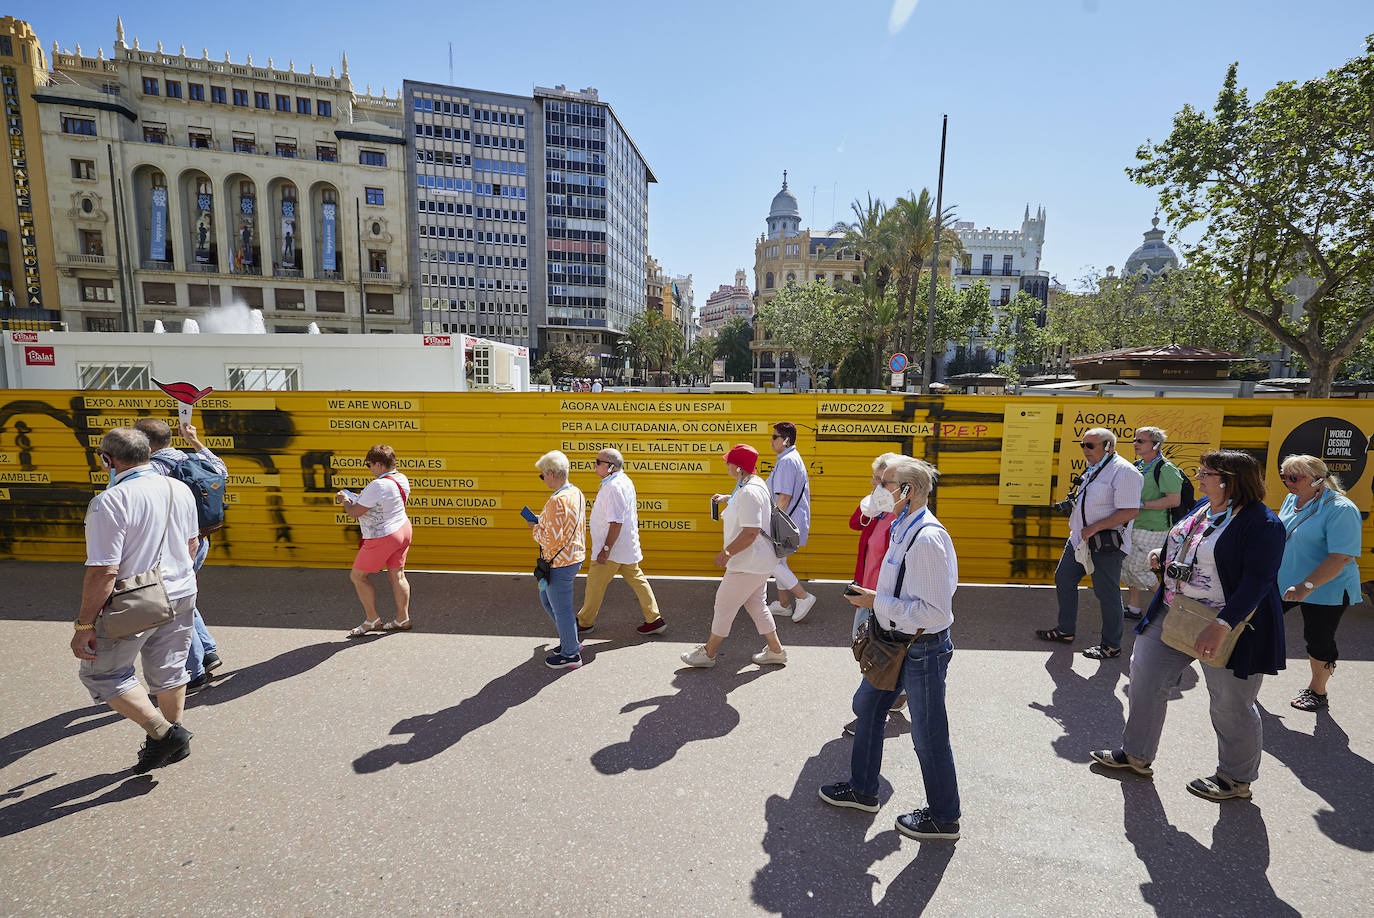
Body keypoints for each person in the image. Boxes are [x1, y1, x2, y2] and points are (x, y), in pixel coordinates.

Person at [1091, 450, 1286, 802]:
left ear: (1230, 480)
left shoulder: (1263, 523)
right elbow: (1187, 542)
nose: (1198, 477)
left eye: (1206, 473)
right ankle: (1135, 754)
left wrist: (1223, 624)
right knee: (1145, 680)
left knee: (1230, 703)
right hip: (1173, 611)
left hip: (1229, 626)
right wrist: (1163, 558)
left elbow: (1258, 581)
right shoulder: (1202, 506)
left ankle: (1236, 778)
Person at [821, 456, 962, 840]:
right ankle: (864, 790)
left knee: (928, 735)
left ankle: (944, 817)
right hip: (895, 643)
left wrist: (875, 602)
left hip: (922, 648)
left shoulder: (928, 537)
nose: (877, 489)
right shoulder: (900, 523)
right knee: (867, 708)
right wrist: (876, 601)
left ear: (907, 491)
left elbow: (935, 611)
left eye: (884, 483)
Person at [74, 428, 200, 772]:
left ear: (108, 460)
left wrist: (84, 623)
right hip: (182, 590)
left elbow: (104, 571)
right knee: (171, 667)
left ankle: (164, 735)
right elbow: (192, 545)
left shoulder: (109, 501)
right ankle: (171, 741)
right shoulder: (179, 488)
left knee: (102, 674)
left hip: (135, 600)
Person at [133, 417, 227, 692]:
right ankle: (208, 651)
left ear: (144, 444)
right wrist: (195, 441)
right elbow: (222, 471)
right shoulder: (191, 459)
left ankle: (194, 670)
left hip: (173, 547)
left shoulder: (154, 470)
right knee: (183, 596)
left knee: (173, 604)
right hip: (201, 538)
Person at [1036, 427, 1143, 659]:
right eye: (1083, 445)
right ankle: (1065, 630)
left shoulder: (1125, 472)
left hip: (1104, 543)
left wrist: (1094, 527)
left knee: (1107, 593)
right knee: (1064, 578)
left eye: (1090, 445)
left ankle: (1111, 645)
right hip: (1079, 539)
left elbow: (1130, 511)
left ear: (1109, 447)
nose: (1085, 450)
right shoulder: (1095, 467)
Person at [681, 444, 787, 668]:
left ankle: (708, 654)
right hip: (759, 561)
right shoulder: (752, 483)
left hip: (748, 562)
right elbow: (747, 502)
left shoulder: (749, 491)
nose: (726, 464)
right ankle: (776, 651)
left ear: (739, 468)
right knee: (757, 604)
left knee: (724, 605)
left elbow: (750, 532)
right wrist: (728, 498)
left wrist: (726, 553)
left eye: (729, 462)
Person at [1275, 454, 1363, 711]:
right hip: (1285, 581)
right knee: (1257, 620)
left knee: (1318, 638)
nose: (1288, 482)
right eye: (1285, 477)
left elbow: (1341, 557)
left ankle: (1317, 690)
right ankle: (1247, 675)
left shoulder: (1341, 510)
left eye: (1294, 477)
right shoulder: (1292, 498)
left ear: (1318, 479)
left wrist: (1307, 586)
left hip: (1327, 587)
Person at [842, 452, 907, 735]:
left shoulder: (902, 517)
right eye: (874, 479)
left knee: (872, 654)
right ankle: (898, 694)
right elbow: (855, 523)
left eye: (880, 480)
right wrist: (872, 498)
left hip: (883, 598)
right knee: (870, 650)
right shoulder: (880, 507)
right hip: (866, 592)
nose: (873, 483)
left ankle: (869, 716)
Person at [576, 448, 666, 636]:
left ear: (610, 467)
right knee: (637, 579)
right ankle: (654, 619)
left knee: (595, 583)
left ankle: (584, 622)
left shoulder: (613, 487)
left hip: (612, 549)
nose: (595, 465)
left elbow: (616, 522)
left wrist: (605, 549)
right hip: (624, 546)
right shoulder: (623, 481)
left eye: (598, 462)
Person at [337, 445, 413, 637]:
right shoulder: (401, 478)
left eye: (369, 464)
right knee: (398, 575)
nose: (369, 468)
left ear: (379, 464)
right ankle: (402, 619)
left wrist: (345, 499)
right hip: (403, 529)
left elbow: (354, 513)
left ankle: (372, 620)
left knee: (358, 577)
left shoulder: (378, 485)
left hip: (383, 536)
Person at [529, 450, 587, 669]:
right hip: (572, 557)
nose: (542, 479)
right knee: (548, 601)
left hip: (559, 562)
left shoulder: (556, 500)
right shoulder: (576, 492)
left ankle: (571, 655)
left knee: (561, 608)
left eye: (542, 475)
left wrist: (534, 528)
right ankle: (570, 641)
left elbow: (550, 539)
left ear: (551, 473)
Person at [1122, 426, 1183, 621]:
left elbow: (1174, 500)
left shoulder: (1166, 468)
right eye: (1135, 440)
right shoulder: (1137, 465)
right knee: (1128, 565)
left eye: (1141, 441)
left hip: (1154, 528)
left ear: (1156, 445)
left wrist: (1140, 505)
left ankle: (1172, 609)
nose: (1135, 444)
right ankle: (1134, 608)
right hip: (1133, 525)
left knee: (1138, 568)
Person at [765, 421, 817, 622]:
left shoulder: (787, 461)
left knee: (770, 560)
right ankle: (783, 604)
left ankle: (803, 596)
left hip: (785, 520)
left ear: (786, 440)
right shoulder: (788, 458)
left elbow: (784, 497)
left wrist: (773, 523)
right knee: (779, 560)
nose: (771, 440)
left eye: (775, 437)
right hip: (790, 520)